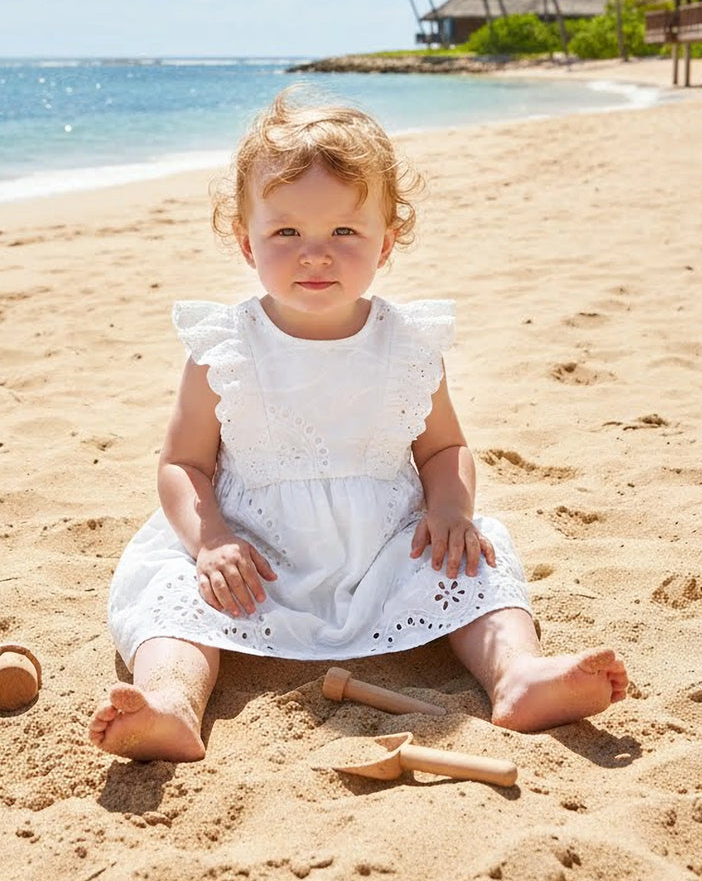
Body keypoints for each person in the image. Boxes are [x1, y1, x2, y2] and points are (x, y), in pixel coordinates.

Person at [89, 89, 628, 762]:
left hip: (386, 547)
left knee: (477, 559)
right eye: (286, 233)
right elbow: (183, 465)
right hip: (256, 556)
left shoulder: (406, 344)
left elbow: (445, 447)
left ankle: (516, 673)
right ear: (246, 242)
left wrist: (452, 507)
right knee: (173, 590)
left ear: (387, 242)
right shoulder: (225, 346)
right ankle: (172, 700)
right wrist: (212, 541)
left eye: (344, 233)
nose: (316, 254)